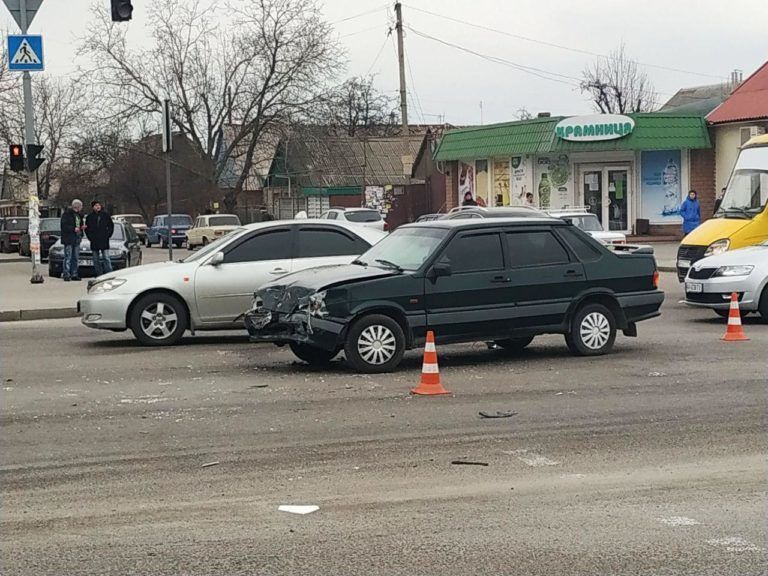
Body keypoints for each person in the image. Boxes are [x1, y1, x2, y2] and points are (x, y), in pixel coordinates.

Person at [85, 200, 114, 277]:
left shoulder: (105, 215)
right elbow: (87, 229)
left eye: (99, 205)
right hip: (94, 241)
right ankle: (99, 274)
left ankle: (109, 273)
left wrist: (108, 235)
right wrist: (90, 237)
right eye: (96, 205)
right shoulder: (89, 217)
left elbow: (111, 226)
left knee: (106, 257)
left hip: (104, 240)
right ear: (93, 207)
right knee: (95, 259)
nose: (98, 207)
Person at [60, 199, 85, 281]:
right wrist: (73, 229)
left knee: (75, 257)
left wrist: (82, 229)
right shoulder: (67, 214)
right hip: (68, 238)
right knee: (68, 257)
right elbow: (63, 226)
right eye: (81, 206)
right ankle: (66, 274)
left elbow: (80, 224)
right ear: (77, 206)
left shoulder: (79, 215)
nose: (81, 208)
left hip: (77, 238)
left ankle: (74, 273)